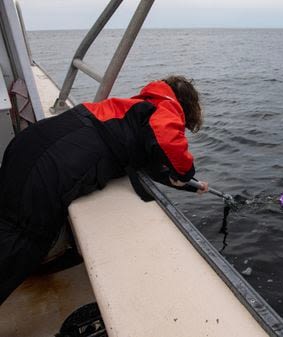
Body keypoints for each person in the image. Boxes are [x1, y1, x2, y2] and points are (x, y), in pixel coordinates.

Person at [0, 75, 208, 304]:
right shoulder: (166, 107)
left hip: (30, 144)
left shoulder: (136, 108)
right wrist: (186, 173)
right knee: (24, 240)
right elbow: (166, 142)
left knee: (9, 220)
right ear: (185, 104)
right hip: (50, 167)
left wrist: (189, 186)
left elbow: (148, 159)